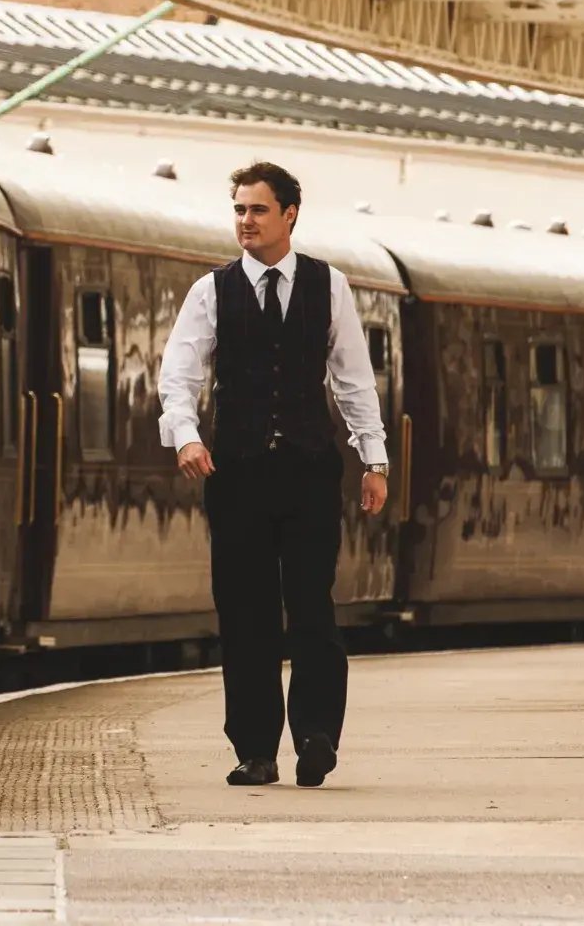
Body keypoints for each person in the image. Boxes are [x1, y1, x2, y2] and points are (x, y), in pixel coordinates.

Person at [157, 161, 389, 789]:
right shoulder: (212, 291)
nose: (245, 222)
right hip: (237, 476)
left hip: (310, 471)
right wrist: (186, 435)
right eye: (238, 209)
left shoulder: (328, 285)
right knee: (245, 612)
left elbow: (352, 378)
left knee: (311, 606)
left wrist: (374, 459)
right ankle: (255, 750)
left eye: (257, 210)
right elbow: (179, 376)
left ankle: (316, 736)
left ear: (289, 215)